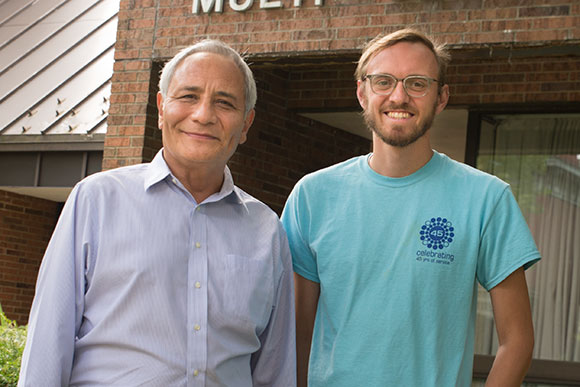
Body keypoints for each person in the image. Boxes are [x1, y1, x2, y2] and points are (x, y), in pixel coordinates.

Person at [19, 40, 296, 386]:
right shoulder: (96, 201)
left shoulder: (267, 229)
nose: (203, 114)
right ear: (162, 108)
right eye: (188, 96)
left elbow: (276, 368)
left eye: (224, 103)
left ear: (245, 125)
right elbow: (48, 342)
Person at [281, 28, 540, 387]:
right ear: (361, 92)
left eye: (417, 83)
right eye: (383, 81)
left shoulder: (486, 199)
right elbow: (296, 335)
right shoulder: (312, 196)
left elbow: (517, 341)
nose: (399, 96)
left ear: (441, 97)